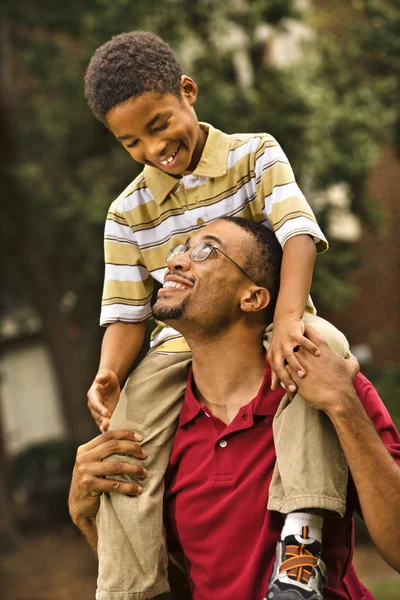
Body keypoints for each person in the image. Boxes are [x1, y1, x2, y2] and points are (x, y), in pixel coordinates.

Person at [83, 31, 351, 599]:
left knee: (316, 352)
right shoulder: (127, 211)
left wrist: (286, 321)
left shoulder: (252, 155)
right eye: (131, 142)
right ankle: (130, 588)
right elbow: (127, 311)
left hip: (272, 319)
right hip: (182, 349)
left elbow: (298, 234)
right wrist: (109, 372)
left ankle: (301, 546)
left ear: (188, 92)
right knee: (125, 442)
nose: (154, 148)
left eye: (158, 125)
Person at [69, 217, 400, 600]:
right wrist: (85, 518)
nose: (177, 261)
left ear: (253, 298)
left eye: (206, 250)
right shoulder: (156, 431)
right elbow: (179, 591)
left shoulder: (332, 384)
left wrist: (344, 405)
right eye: (180, 250)